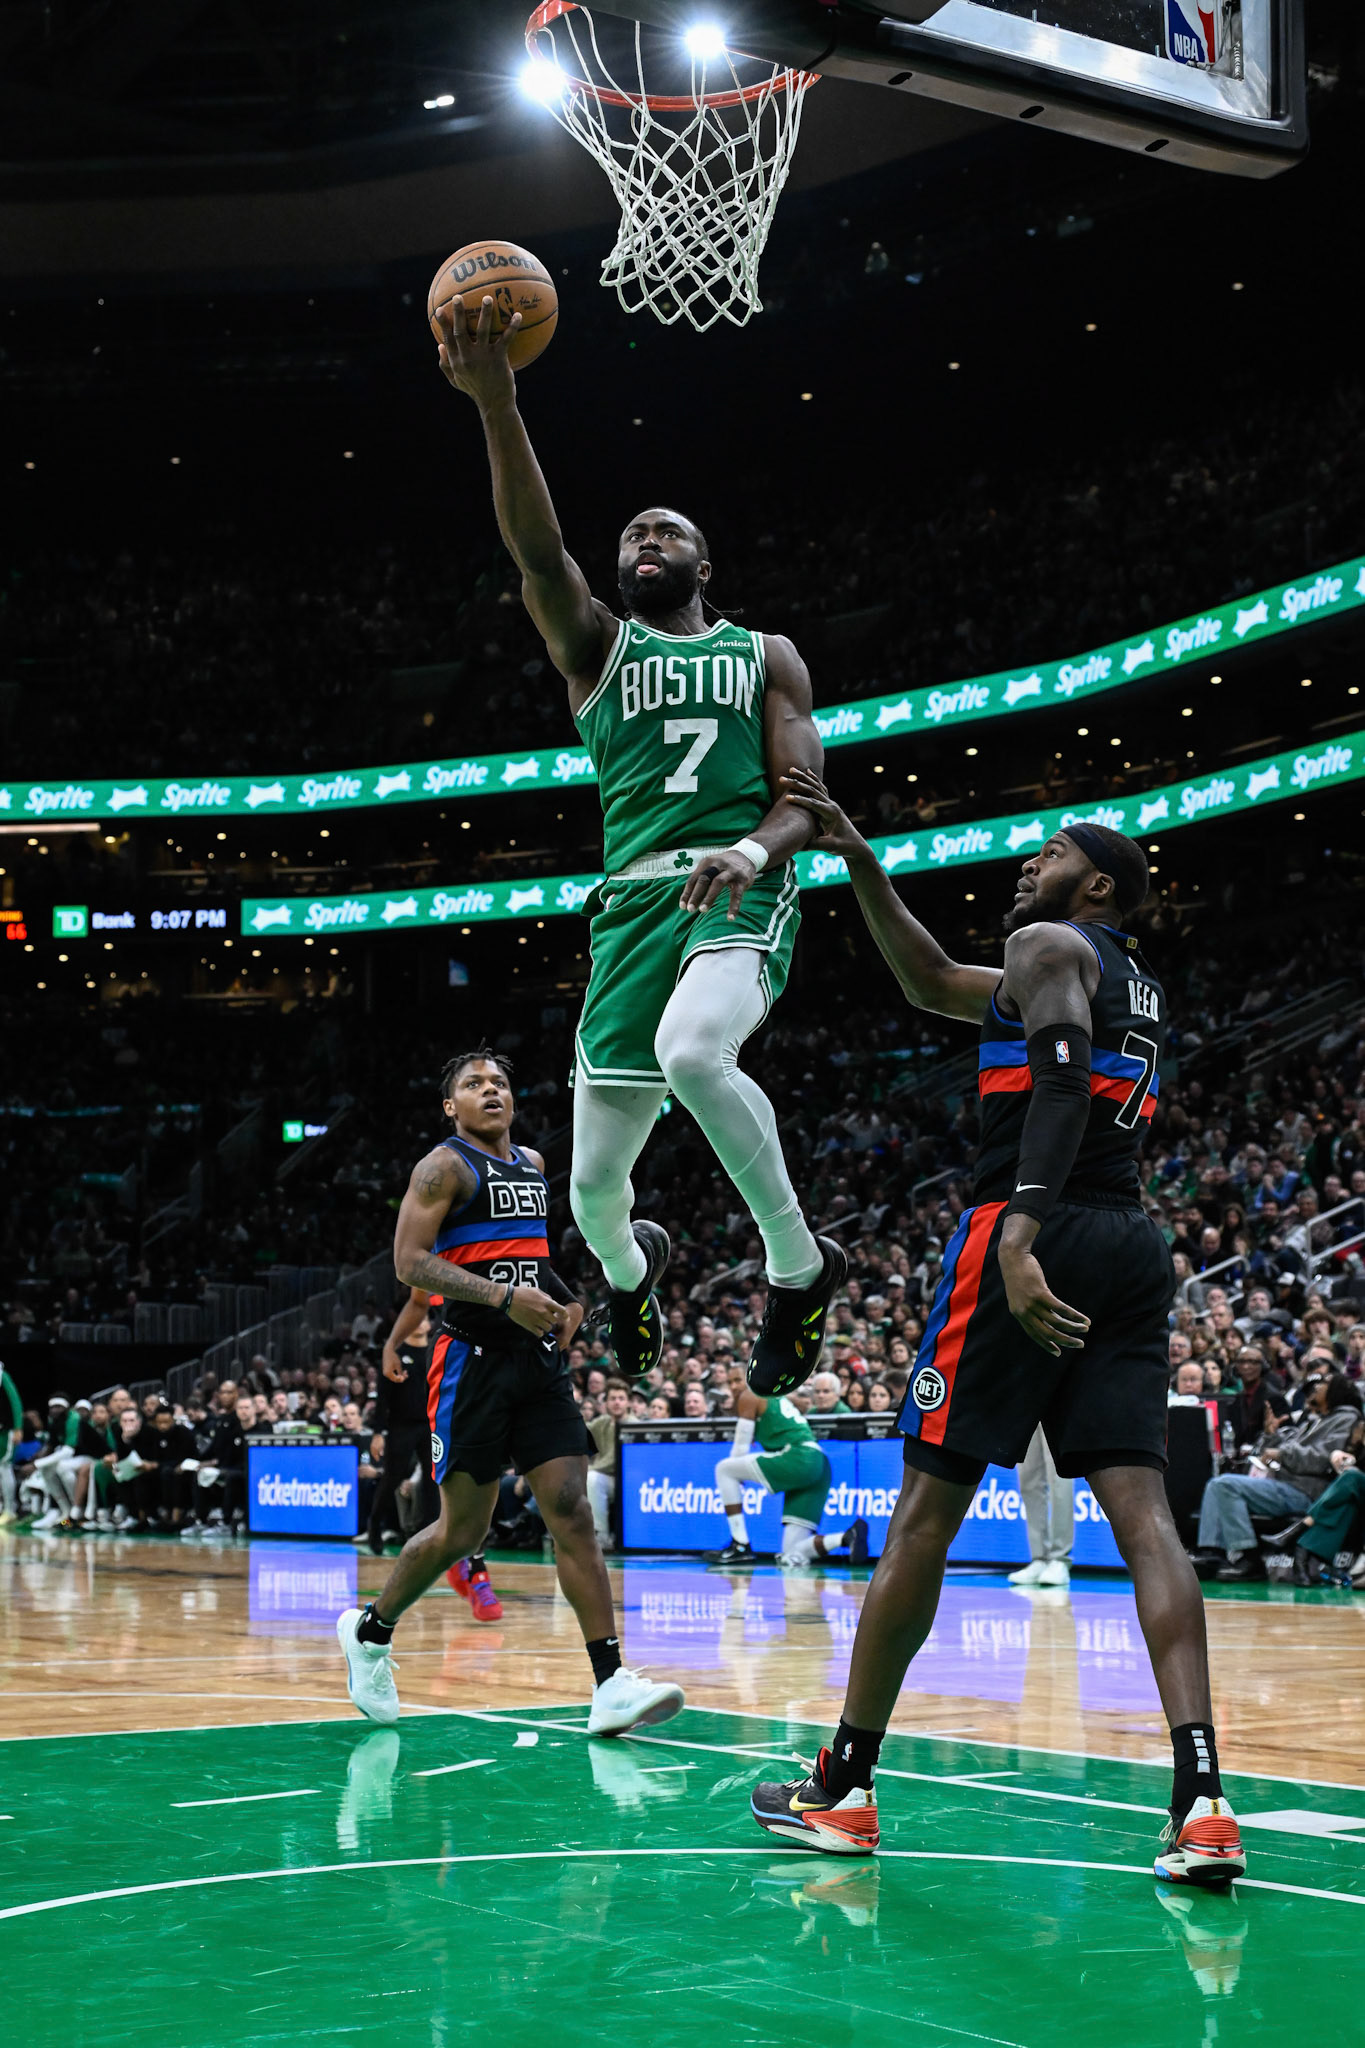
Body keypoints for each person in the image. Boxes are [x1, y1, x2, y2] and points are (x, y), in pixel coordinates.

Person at [748, 775, 1245, 1887]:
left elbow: (1061, 1076)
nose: (1029, 861)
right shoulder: (1126, 975)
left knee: (926, 1510)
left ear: (1099, 881)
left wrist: (1018, 1231)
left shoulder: (1050, 946)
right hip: (1128, 1239)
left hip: (1034, 1222)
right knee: (1146, 1517)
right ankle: (1204, 1795)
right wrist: (857, 853)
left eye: (1052, 848)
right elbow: (929, 978)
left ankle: (843, 1785)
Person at [437, 296, 845, 1397]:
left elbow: (805, 799)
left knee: (695, 1053)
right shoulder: (593, 650)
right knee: (591, 1196)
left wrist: (754, 855)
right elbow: (534, 547)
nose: (643, 541)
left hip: (737, 886)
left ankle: (800, 1268)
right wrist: (497, 404)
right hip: (628, 912)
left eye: (665, 531)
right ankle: (631, 1273)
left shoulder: (767, 653)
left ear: (703, 560)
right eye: (630, 536)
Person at [336, 1048, 684, 1736]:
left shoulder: (529, 1163)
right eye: (473, 1083)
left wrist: (568, 1302)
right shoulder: (441, 1167)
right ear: (451, 1106)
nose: (490, 1090)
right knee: (460, 1530)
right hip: (471, 1363)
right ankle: (371, 1633)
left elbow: (532, 1259)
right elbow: (410, 1263)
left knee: (571, 1513)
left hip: (537, 1364)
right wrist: (501, 1296)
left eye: (499, 1081)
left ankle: (610, 1681)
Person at [1193, 1371, 1362, 1580]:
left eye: (1325, 1383)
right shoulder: (1314, 1419)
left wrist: (1282, 1453)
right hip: (1284, 1484)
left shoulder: (1346, 1418)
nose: (1318, 1386)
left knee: (1224, 1486)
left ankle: (1249, 1557)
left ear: (1337, 1390)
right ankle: (1212, 1552)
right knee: (1216, 1485)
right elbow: (1278, 1448)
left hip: (1307, 1491)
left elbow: (1324, 1458)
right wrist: (1270, 1436)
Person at [705, 1362, 866, 1568]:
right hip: (819, 1465)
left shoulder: (749, 1394)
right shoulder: (777, 1396)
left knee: (724, 1469)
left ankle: (740, 1544)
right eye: (730, 1382)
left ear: (751, 1377)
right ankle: (845, 1537)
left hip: (799, 1456)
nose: (735, 1386)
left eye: (738, 1380)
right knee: (791, 1554)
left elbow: (740, 1449)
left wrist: (739, 1478)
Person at [1008, 1426, 1074, 1588]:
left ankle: (1060, 1559)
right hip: (1024, 1404)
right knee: (1028, 1478)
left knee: (1059, 1476)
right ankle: (1039, 1558)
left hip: (1058, 1403)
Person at [0, 1361, 21, 1525]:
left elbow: (15, 1401)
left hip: (5, 1431)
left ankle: (10, 1510)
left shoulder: (1, 1375)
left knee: (3, 1467)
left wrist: (18, 1427)